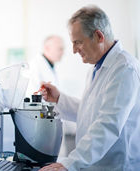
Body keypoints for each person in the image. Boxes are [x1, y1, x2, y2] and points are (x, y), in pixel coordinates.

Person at [40, 5, 140, 171]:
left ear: (98, 36)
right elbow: (89, 112)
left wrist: (69, 163)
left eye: (78, 42)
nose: (73, 50)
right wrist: (59, 98)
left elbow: (108, 124)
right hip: (97, 165)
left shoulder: (124, 69)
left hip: (117, 166)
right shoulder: (97, 68)